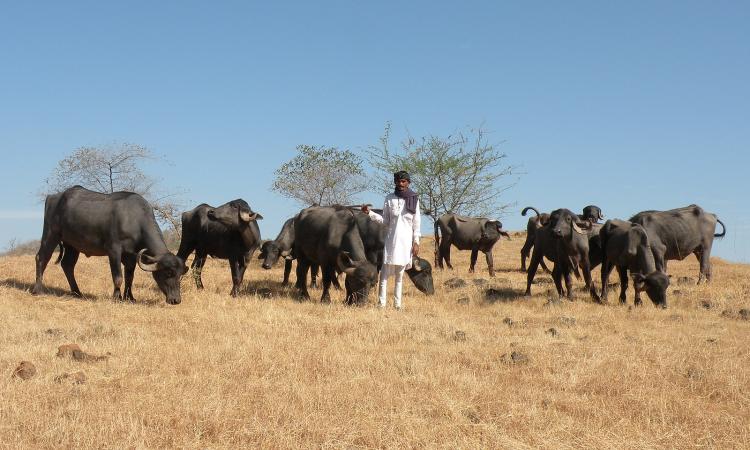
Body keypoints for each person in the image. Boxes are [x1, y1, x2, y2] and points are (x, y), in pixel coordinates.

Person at [362, 170, 421, 309]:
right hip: (391, 241)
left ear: (408, 183)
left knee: (400, 275)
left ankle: (397, 305)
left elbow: (416, 223)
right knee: (384, 274)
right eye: (398, 181)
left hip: (405, 243)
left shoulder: (414, 199)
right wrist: (369, 213)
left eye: (404, 181)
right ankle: (381, 304)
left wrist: (416, 242)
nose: (401, 184)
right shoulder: (389, 198)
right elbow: (385, 221)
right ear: (395, 182)